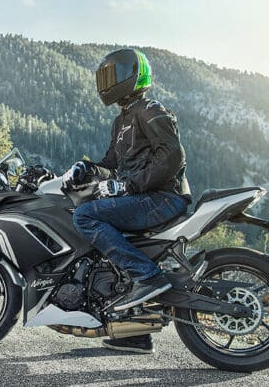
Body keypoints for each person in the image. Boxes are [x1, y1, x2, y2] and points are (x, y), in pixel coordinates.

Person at [63, 49, 191, 353]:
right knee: (104, 246)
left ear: (133, 75)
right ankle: (133, 332)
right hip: (145, 197)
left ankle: (147, 276)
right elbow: (111, 163)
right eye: (105, 77)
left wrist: (130, 185)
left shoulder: (150, 110)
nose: (107, 84)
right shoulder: (122, 121)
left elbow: (172, 156)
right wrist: (88, 168)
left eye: (113, 76)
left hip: (162, 197)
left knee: (86, 216)